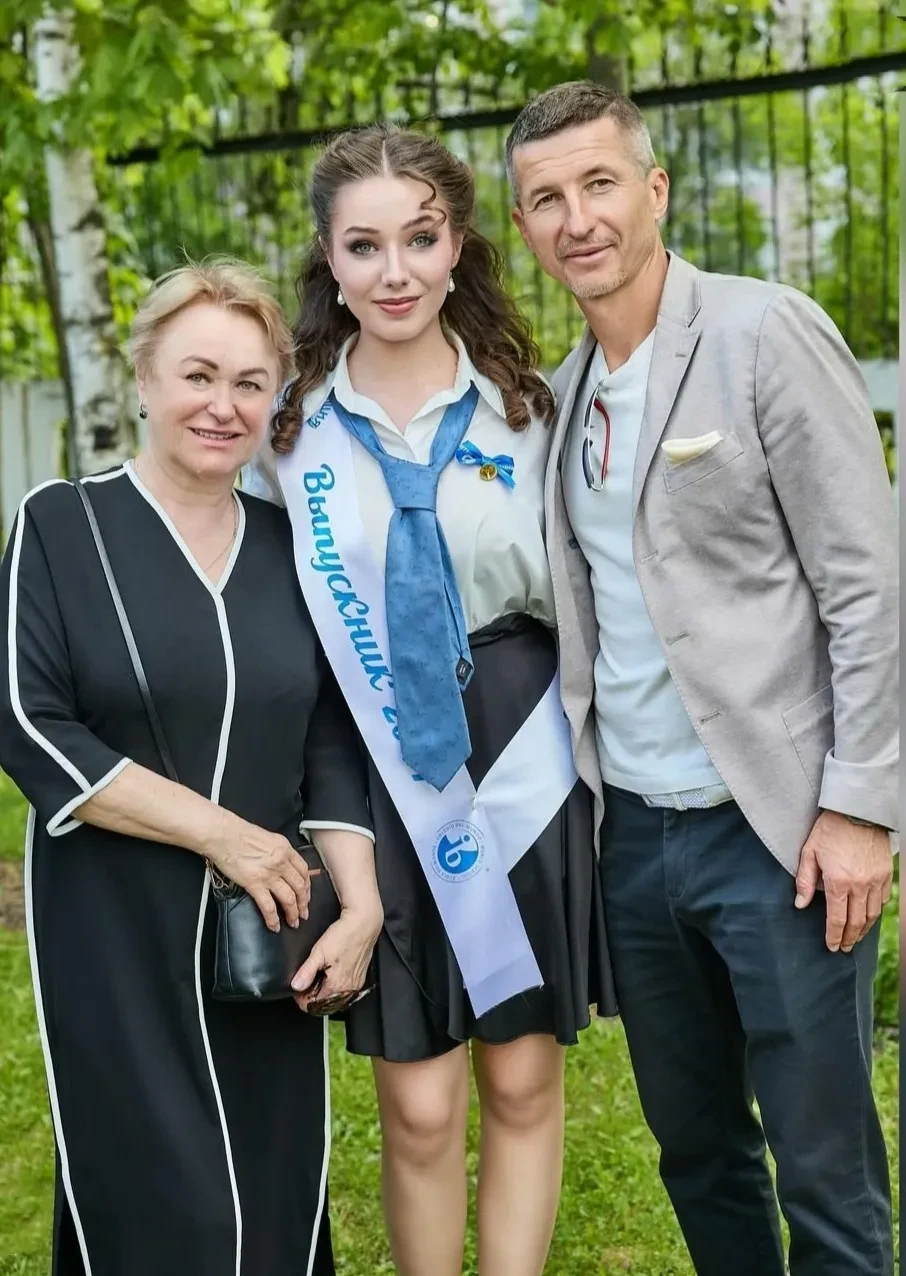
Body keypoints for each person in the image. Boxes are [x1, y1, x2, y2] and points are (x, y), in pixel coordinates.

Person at [505, 80, 898, 1276]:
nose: (578, 219)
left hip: (777, 830)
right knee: (698, 1149)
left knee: (823, 1161)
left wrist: (860, 805)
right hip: (634, 837)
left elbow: (870, 583)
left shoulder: (762, 333)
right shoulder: (561, 397)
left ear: (656, 189)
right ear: (523, 225)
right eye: (546, 199)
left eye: (600, 183)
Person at [244, 123, 616, 1276]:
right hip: (377, 761)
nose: (394, 271)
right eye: (365, 246)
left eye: (420, 238)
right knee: (415, 1105)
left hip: (523, 750)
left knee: (522, 1077)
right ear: (329, 257)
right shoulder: (288, 431)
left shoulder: (530, 407)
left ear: (459, 244)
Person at [0, 259, 384, 1276]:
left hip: (268, 932)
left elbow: (328, 737)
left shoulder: (291, 547)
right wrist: (224, 835)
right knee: (157, 1202)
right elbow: (30, 723)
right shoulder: (62, 526)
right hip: (112, 926)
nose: (224, 405)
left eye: (251, 383)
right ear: (143, 378)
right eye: (198, 375)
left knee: (273, 1196)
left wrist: (359, 907)